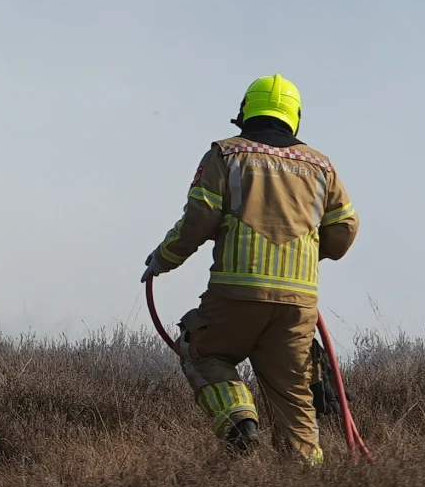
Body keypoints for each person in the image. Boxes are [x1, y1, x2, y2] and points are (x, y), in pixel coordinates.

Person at [144, 74, 357, 462]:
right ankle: (307, 486)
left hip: (235, 295)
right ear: (293, 117)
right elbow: (343, 233)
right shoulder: (321, 166)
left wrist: (163, 258)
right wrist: (303, 253)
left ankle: (239, 421)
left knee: (201, 352)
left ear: (246, 112)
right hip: (297, 303)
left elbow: (199, 219)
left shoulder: (226, 154)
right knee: (294, 398)